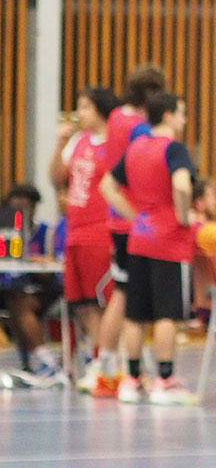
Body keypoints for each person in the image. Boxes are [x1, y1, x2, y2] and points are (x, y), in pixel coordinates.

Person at [100, 91, 198, 405]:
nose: (184, 120)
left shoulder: (136, 147)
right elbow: (181, 185)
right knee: (167, 312)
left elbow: (107, 186)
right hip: (169, 239)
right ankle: (165, 381)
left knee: (136, 312)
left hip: (139, 237)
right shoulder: (174, 149)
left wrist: (135, 216)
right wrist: (183, 215)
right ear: (168, 115)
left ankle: (132, 380)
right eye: (182, 113)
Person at [94, 63, 167, 398]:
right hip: (132, 219)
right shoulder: (139, 128)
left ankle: (109, 365)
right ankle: (110, 368)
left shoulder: (115, 118)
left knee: (123, 292)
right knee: (127, 296)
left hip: (116, 217)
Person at [49, 86, 121, 393]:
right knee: (82, 304)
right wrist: (59, 143)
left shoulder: (115, 144)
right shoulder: (78, 141)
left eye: (86, 107)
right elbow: (56, 179)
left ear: (101, 110)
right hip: (74, 231)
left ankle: (105, 364)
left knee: (100, 301)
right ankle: (97, 359)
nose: (80, 114)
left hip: (99, 232)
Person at [0, 183, 65, 388]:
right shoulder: (5, 232)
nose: (20, 211)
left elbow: (55, 263)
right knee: (13, 299)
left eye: (25, 206)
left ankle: (46, 362)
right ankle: (28, 361)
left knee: (19, 303)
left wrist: (37, 260)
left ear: (34, 207)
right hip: (11, 287)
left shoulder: (46, 231)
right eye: (15, 207)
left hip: (44, 286)